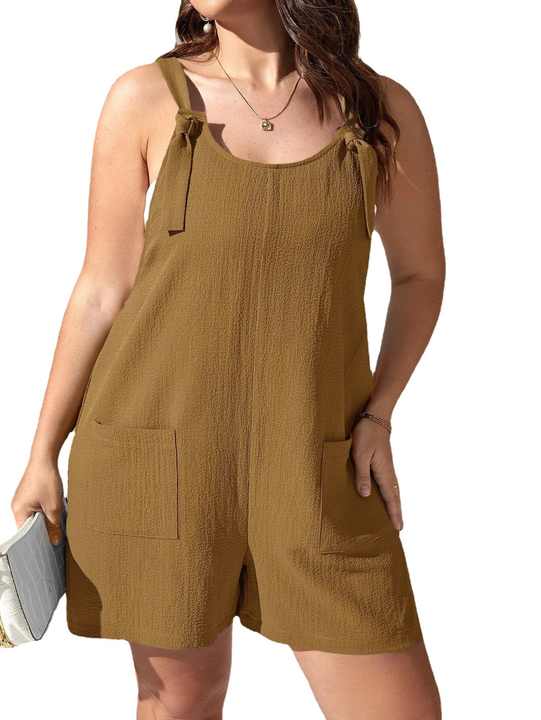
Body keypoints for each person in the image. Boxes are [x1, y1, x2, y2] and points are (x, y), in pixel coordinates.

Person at [11, 1, 444, 717]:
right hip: (161, 455)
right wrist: (41, 452)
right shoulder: (144, 98)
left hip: (317, 463)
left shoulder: (377, 110)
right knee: (182, 702)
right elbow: (101, 289)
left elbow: (419, 275)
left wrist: (379, 413)